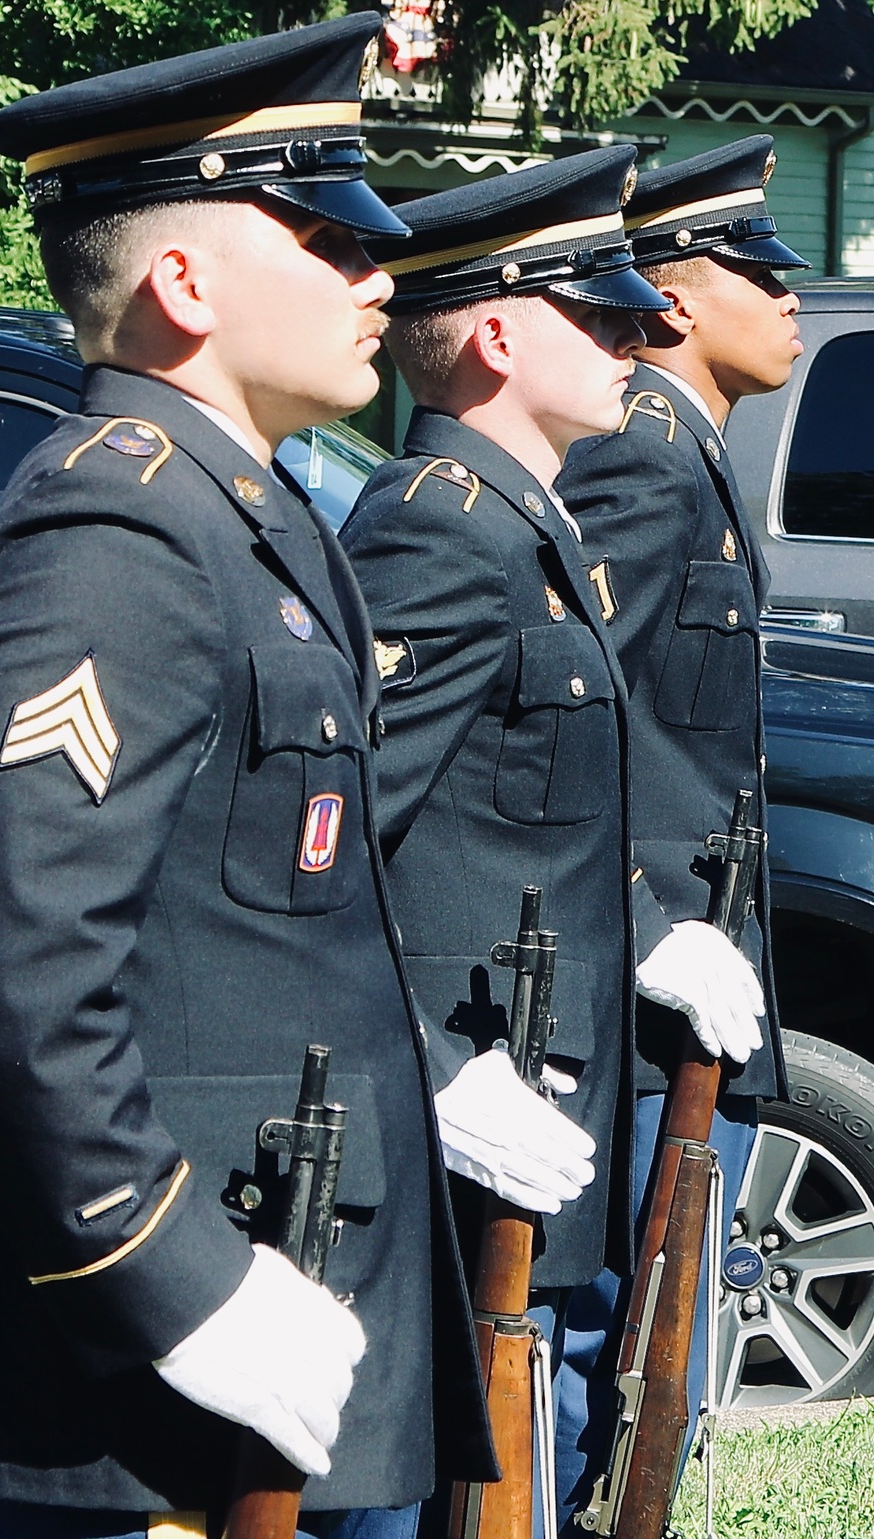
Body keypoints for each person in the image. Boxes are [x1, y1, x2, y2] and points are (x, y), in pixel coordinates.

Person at [0, 17, 591, 1538]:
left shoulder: (245, 515)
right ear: (184, 284)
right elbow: (10, 972)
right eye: (328, 237)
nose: (379, 278)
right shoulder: (116, 535)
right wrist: (176, 1283)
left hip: (296, 1293)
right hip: (151, 1383)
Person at [340, 148, 693, 1534]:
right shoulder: (442, 537)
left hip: (531, 1146)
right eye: (598, 316)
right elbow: (336, 853)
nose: (635, 336)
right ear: (495, 335)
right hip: (453, 1156)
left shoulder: (521, 527)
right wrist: (431, 1069)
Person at [554, 135, 808, 1526]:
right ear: (670, 295)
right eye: (750, 273)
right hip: (637, 999)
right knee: (621, 1343)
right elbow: (559, 725)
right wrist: (657, 935)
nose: (788, 300)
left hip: (689, 994)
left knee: (668, 1343)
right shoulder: (639, 461)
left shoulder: (683, 456)